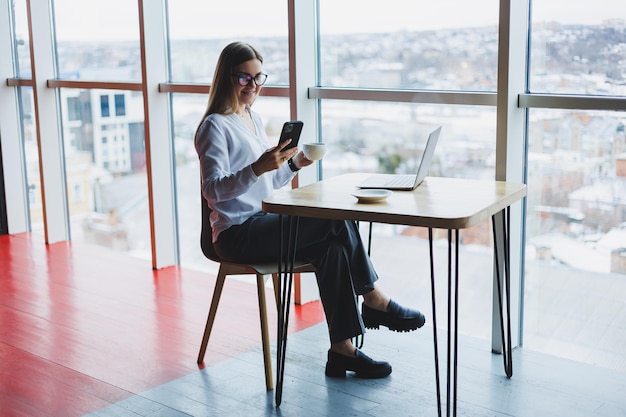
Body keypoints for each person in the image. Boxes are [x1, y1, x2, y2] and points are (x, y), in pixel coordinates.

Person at [195, 41, 425, 379]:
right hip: (235, 234)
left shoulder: (252, 119)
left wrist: (295, 164)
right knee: (333, 219)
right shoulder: (213, 126)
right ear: (226, 78)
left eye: (258, 78)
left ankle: (342, 351)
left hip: (261, 221)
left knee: (331, 247)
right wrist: (258, 167)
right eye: (244, 78)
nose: (253, 86)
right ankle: (373, 298)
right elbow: (212, 190)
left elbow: (268, 185)